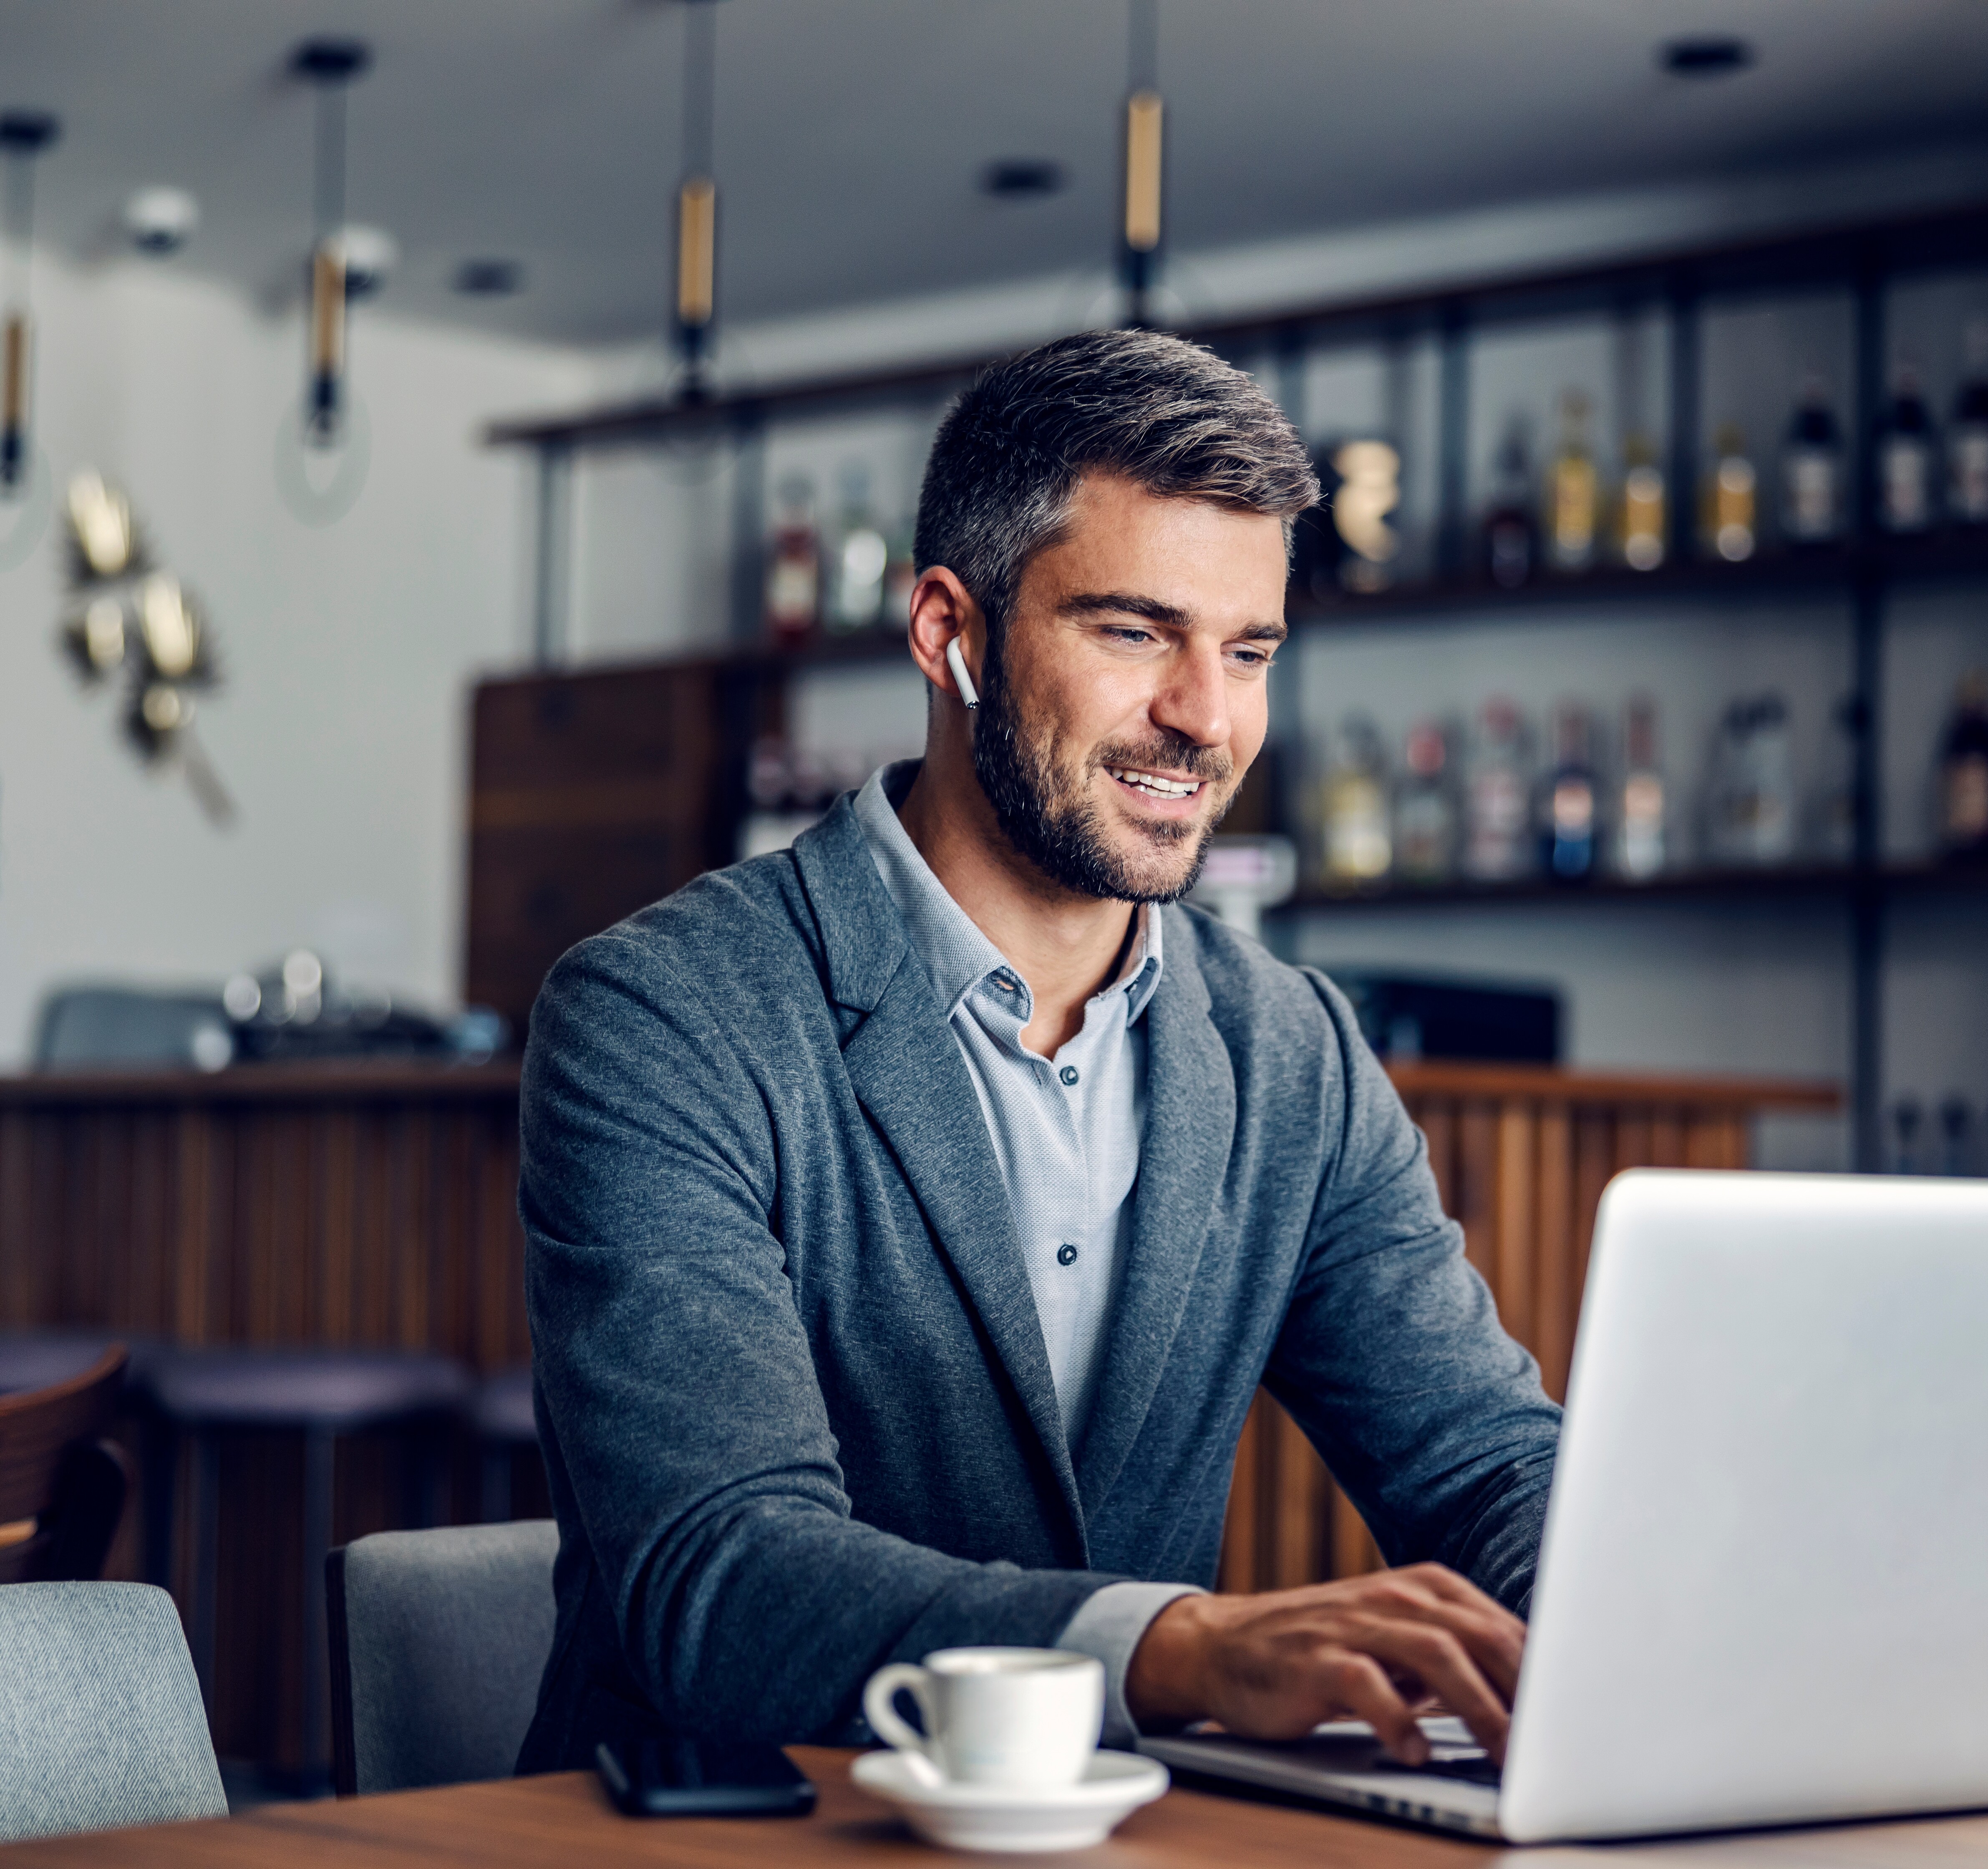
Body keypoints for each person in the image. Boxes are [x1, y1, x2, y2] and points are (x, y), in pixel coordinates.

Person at [515, 330, 1562, 1777]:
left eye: (1247, 651)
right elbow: (721, 1579)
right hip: (742, 1831)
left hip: (1120, 1833)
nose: (1205, 716)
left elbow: (1486, 1468)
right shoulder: (662, 1015)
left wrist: (1678, 1606)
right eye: (1136, 633)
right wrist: (1181, 1649)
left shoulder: (1296, 1055)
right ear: (951, 633)